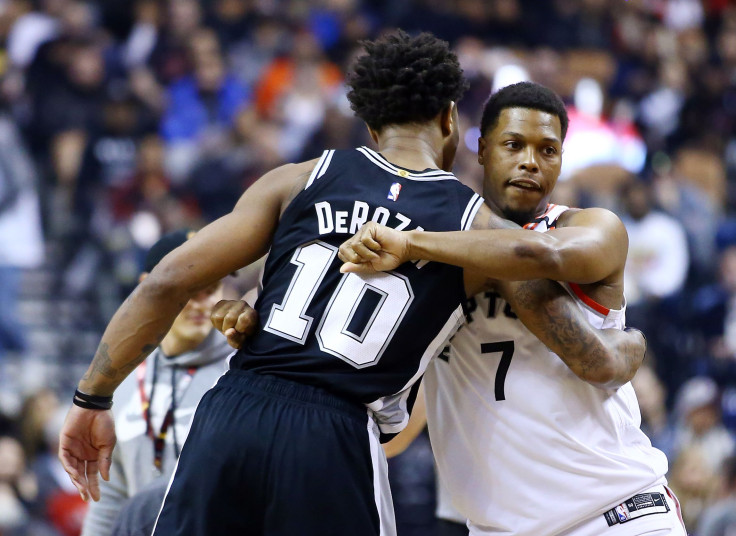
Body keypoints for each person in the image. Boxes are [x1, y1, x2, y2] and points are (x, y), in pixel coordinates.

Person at [59, 31, 496, 536]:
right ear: (449, 115)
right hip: (335, 434)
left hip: (233, 410)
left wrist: (92, 398)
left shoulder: (299, 178)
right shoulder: (475, 227)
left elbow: (166, 280)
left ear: (372, 125)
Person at [338, 82, 686, 535]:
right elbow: (403, 430)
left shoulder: (591, 227)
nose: (530, 161)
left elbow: (540, 255)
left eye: (548, 150)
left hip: (614, 514)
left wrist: (408, 241)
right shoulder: (435, 260)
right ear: (481, 150)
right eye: (513, 144)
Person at [80, 229, 233, 536]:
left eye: (212, 287)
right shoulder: (119, 379)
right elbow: (109, 496)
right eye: (192, 288)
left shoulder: (241, 369)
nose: (204, 303)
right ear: (147, 288)